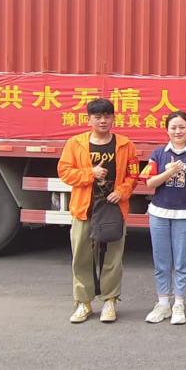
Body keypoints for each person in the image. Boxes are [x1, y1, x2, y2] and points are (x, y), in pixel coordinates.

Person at [58, 98, 139, 324]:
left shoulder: (125, 145)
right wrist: (89, 173)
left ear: (113, 118)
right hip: (84, 208)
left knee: (113, 257)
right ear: (89, 119)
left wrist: (122, 191)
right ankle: (83, 303)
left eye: (107, 116)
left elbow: (133, 175)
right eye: (98, 117)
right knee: (81, 256)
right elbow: (64, 172)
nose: (103, 121)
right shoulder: (75, 143)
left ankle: (110, 301)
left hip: (113, 209)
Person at [139, 111, 186, 325]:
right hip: (159, 214)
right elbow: (149, 183)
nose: (178, 131)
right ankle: (163, 304)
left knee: (181, 262)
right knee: (161, 261)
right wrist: (169, 172)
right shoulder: (158, 153)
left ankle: (179, 303)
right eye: (173, 127)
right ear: (167, 130)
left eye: (182, 127)